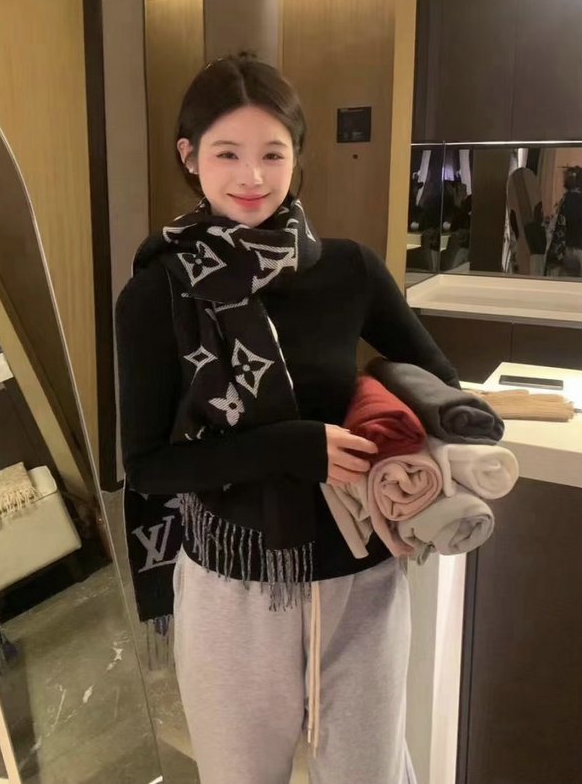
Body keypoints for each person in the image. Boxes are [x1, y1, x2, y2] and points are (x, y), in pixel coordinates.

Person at [115, 54, 459, 784]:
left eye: (272, 153)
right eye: (227, 153)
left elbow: (436, 380)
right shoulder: (158, 294)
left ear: (297, 156)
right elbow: (147, 467)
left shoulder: (350, 270)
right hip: (233, 589)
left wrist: (393, 411)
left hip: (362, 581)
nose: (252, 175)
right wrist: (294, 448)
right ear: (189, 156)